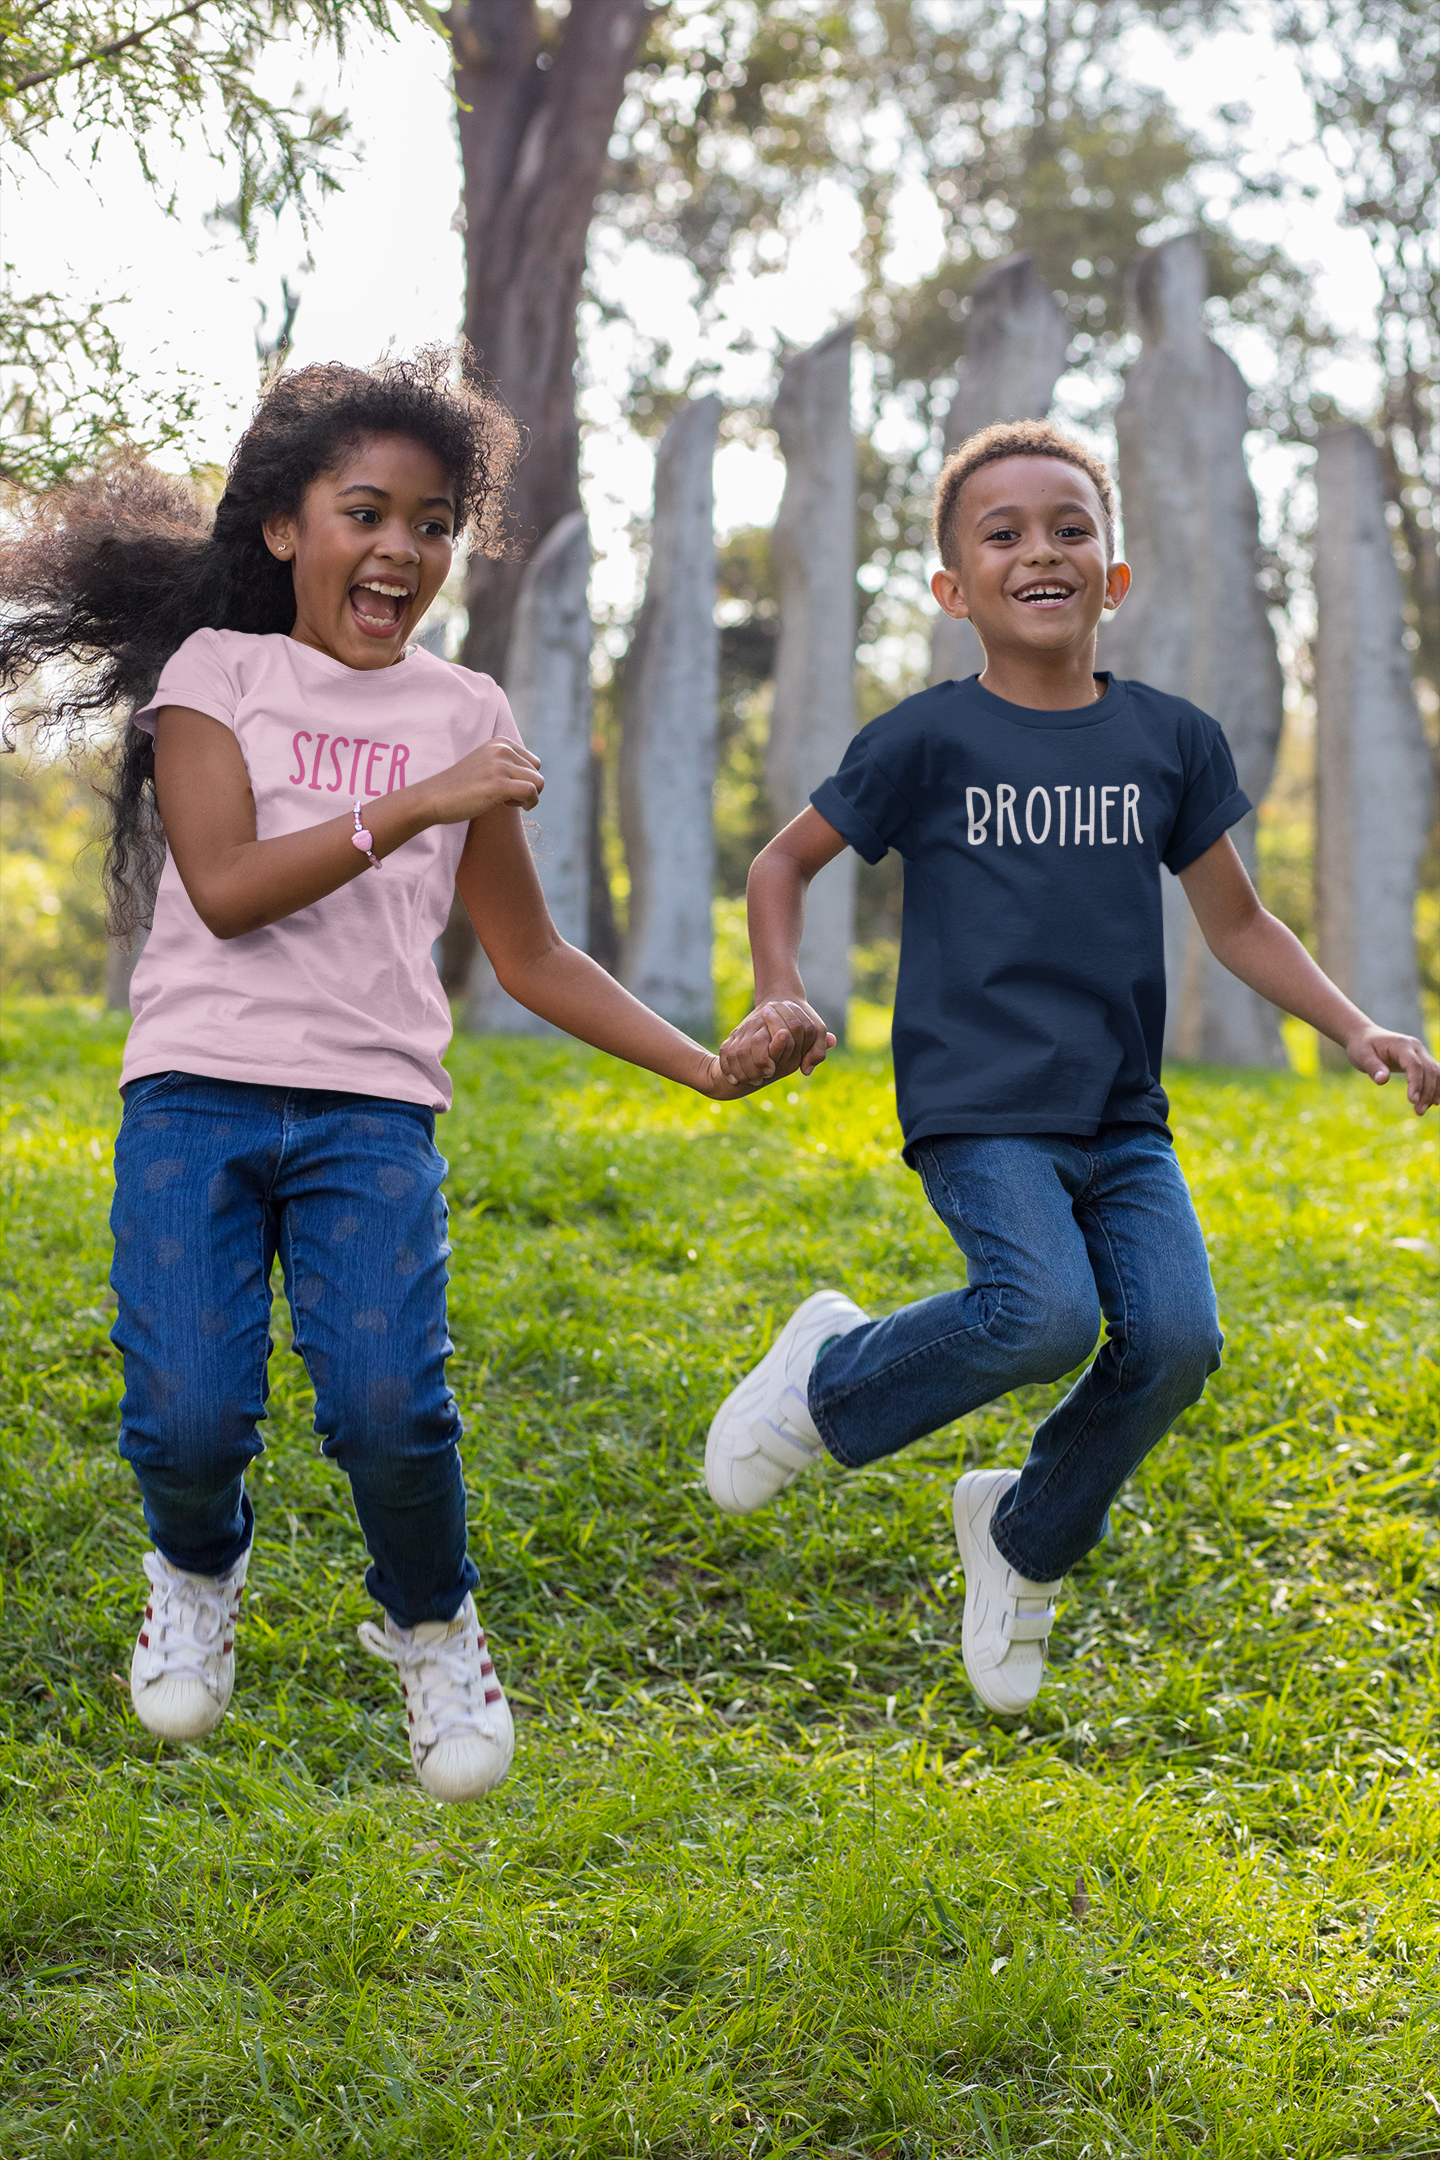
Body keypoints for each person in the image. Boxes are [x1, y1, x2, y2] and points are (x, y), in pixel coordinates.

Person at [0, 351, 817, 1802]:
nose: (401, 550)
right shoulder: (219, 675)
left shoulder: (464, 708)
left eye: (432, 524)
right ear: (283, 528)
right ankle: (194, 1569)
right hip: (195, 1093)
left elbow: (530, 951)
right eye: (366, 512)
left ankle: (434, 1623)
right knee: (187, 1416)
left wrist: (704, 1069)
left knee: (389, 1409)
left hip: (372, 1111)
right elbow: (231, 886)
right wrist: (420, 800)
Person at [709, 416, 1439, 1717]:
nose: (1040, 549)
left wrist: (1354, 1026)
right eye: (1004, 534)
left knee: (1175, 1342)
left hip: (1120, 1119)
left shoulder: (1170, 741)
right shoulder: (924, 742)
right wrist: (781, 989)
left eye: (1070, 529)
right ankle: (826, 1378)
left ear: (1114, 575)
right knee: (1043, 1315)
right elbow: (781, 864)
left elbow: (1238, 922)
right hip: (980, 1106)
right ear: (953, 589)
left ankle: (1023, 1533)